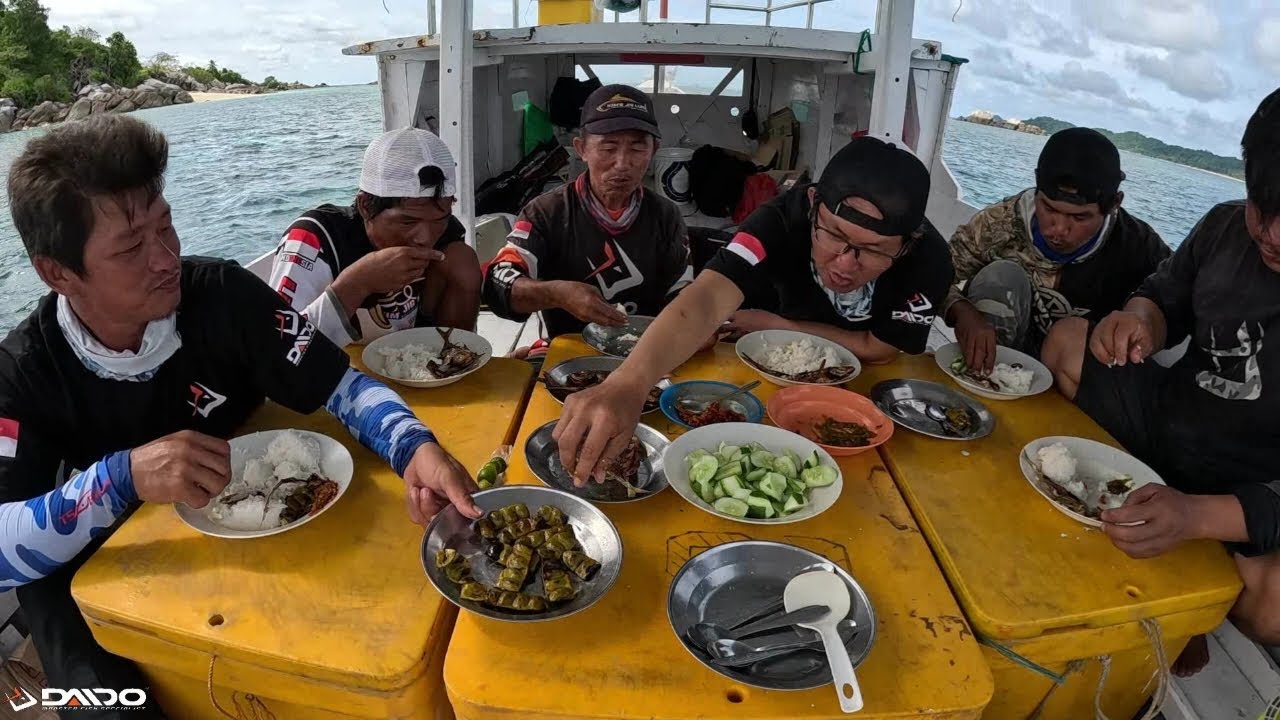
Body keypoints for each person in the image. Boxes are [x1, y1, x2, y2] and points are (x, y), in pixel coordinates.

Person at [0, 115, 481, 716]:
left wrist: (416, 448)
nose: (165, 258)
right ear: (58, 272)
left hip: (250, 520)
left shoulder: (225, 294)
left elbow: (344, 387)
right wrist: (120, 478)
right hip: (101, 560)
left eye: (166, 226)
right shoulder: (22, 370)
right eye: (131, 247)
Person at [1040, 87, 1280, 676]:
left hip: (1245, 489)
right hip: (1166, 427)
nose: (1274, 235)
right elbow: (1164, 296)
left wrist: (1196, 517)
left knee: (1276, 603)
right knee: (1072, 338)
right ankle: (1119, 522)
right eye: (1261, 206)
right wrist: (1138, 320)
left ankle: (1190, 603)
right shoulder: (1226, 227)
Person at [552, 136, 955, 483]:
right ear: (813, 202)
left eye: (873, 252)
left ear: (906, 244)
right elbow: (708, 297)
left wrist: (778, 324)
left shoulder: (930, 259)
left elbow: (881, 348)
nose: (845, 265)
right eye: (834, 235)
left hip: (866, 403)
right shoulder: (779, 219)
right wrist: (627, 384)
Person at [945, 127, 1169, 374]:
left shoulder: (1140, 247)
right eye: (1049, 209)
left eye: (1080, 217)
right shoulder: (999, 224)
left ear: (1114, 204)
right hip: (1003, 362)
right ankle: (984, 380)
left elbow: (1174, 306)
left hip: (1076, 371)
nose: (1059, 230)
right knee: (1001, 276)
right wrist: (960, 310)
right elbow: (932, 275)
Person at [481, 84, 692, 340]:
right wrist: (557, 293)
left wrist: (695, 323)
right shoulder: (545, 211)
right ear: (581, 149)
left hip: (646, 352)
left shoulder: (666, 214)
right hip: (564, 350)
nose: (622, 163)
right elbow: (498, 283)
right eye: (608, 148)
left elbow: (683, 292)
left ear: (654, 151)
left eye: (637, 149)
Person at [268, 127, 481, 346]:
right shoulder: (316, 238)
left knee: (462, 261)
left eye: (439, 219)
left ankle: (451, 361)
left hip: (413, 360)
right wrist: (357, 283)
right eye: (408, 222)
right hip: (336, 366)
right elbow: (274, 345)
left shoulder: (448, 233)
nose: (425, 238)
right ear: (366, 207)